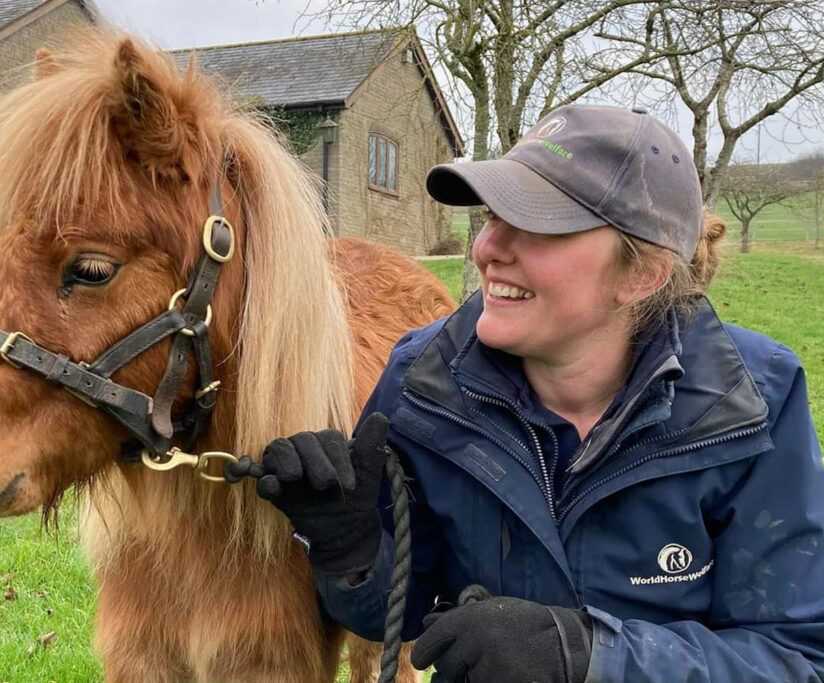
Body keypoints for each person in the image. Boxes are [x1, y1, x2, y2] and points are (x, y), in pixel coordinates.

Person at [227, 104, 824, 682]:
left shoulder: (751, 400)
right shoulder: (425, 378)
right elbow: (393, 616)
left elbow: (796, 656)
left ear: (641, 274)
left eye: (538, 224)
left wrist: (590, 659)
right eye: (491, 216)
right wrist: (351, 552)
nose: (488, 250)